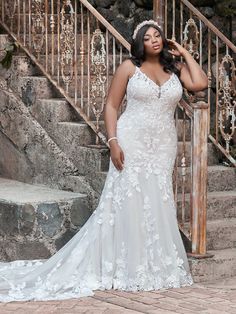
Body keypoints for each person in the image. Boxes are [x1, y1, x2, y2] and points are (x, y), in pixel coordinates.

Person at [0, 20, 208, 302]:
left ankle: (154, 265)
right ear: (139, 44)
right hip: (130, 139)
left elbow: (201, 83)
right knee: (128, 199)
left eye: (158, 35)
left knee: (158, 199)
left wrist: (183, 52)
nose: (154, 40)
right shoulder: (128, 68)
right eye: (147, 38)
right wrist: (112, 142)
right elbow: (111, 105)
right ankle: (127, 266)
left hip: (162, 144)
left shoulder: (175, 68)